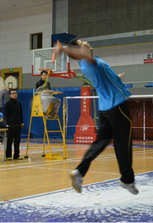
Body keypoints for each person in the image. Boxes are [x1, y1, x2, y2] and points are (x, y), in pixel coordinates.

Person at [53, 38, 138, 195]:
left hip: (105, 109)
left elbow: (105, 78)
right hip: (117, 106)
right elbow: (80, 54)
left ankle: (80, 172)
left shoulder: (89, 64)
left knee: (100, 142)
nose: (85, 42)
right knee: (123, 144)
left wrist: (116, 77)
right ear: (79, 51)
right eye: (81, 43)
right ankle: (127, 180)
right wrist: (63, 49)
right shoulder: (88, 62)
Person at [4, 88, 23, 160]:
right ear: (10, 95)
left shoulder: (19, 103)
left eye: (15, 93)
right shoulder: (7, 104)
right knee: (10, 141)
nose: (15, 94)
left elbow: (21, 113)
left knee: (17, 141)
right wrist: (8, 123)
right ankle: (8, 155)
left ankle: (16, 155)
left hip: (18, 124)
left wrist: (21, 122)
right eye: (13, 93)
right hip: (11, 125)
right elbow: (6, 114)